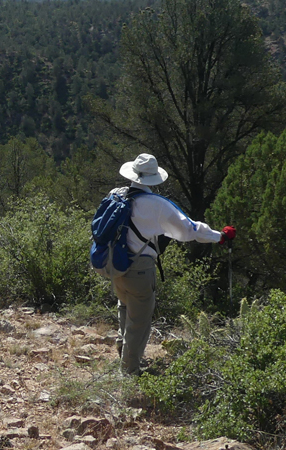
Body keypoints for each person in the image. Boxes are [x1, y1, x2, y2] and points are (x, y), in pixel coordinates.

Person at [98, 154, 233, 375]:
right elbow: (189, 230)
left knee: (125, 305)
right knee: (139, 321)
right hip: (139, 268)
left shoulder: (116, 194)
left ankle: (123, 350)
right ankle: (129, 373)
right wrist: (220, 236)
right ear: (154, 178)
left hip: (113, 264)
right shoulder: (157, 205)